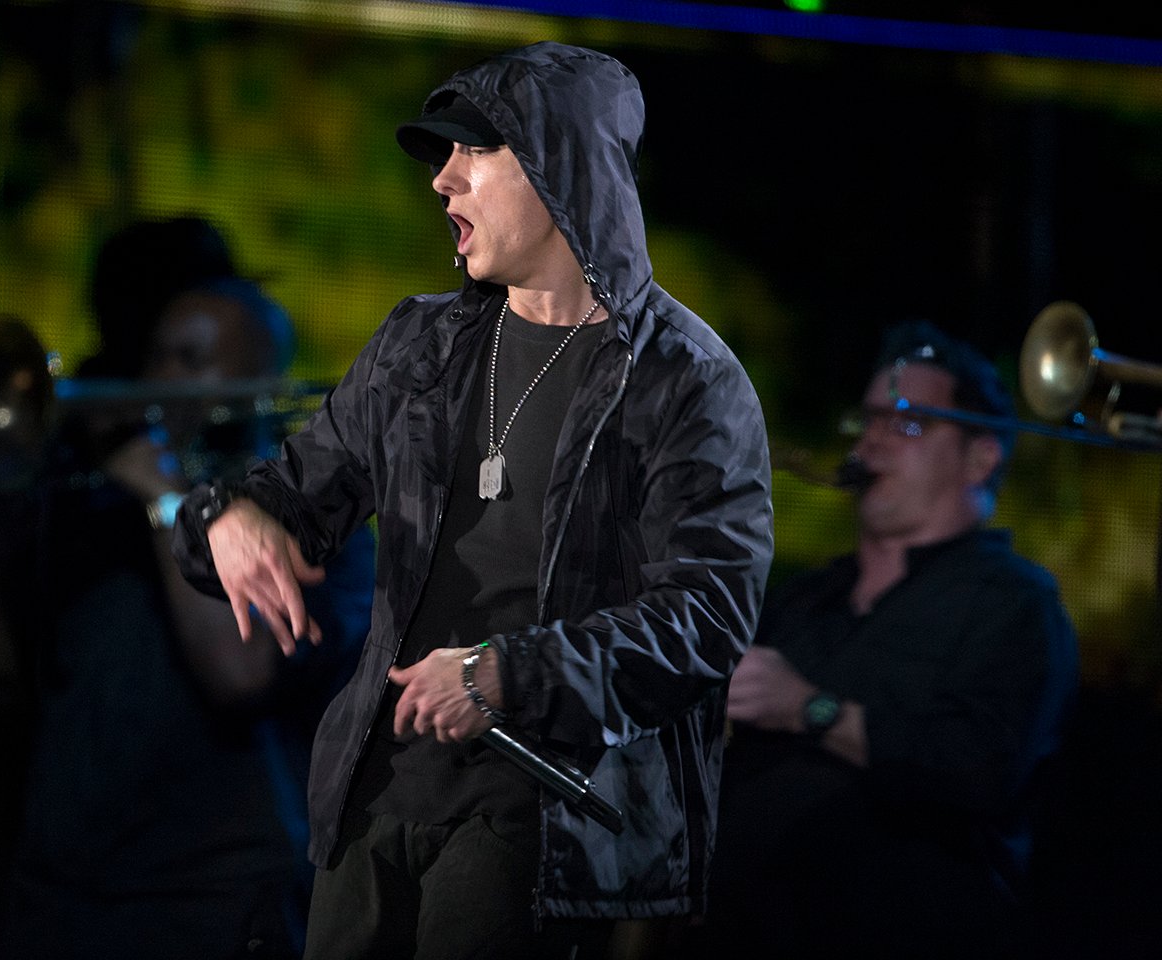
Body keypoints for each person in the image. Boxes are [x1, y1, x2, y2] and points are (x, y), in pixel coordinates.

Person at [171, 42, 773, 959]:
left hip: (542, 808)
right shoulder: (421, 346)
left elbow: (705, 617)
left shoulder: (684, 380)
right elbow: (289, 496)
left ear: (562, 169)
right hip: (376, 795)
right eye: (443, 155)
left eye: (474, 152)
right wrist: (224, 518)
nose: (443, 179)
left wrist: (508, 673)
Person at [0, 216, 374, 960]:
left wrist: (167, 496)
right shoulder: (92, 512)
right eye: (157, 355)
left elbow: (240, 671)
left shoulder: (320, 525)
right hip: (61, 913)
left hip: (213, 911)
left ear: (258, 383)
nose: (158, 379)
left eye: (192, 359)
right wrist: (3, 535)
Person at [703, 322, 1080, 959]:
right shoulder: (805, 596)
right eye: (870, 419)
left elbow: (980, 768)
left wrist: (808, 708)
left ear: (980, 458)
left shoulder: (1017, 604)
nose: (872, 440)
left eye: (908, 423)